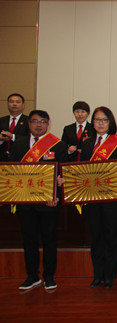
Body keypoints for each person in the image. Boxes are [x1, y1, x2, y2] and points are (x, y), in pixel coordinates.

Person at [9, 110, 68, 291]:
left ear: (48, 124)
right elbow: (10, 172)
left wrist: (56, 195)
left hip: (48, 202)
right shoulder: (18, 145)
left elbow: (63, 173)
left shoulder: (58, 145)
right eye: (34, 121)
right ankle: (32, 276)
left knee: (49, 239)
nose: (38, 125)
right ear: (29, 124)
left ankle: (49, 276)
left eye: (42, 121)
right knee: (29, 239)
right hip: (25, 201)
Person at [79, 107, 117, 289]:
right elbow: (81, 170)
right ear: (92, 123)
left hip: (112, 198)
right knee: (96, 236)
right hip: (92, 198)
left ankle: (109, 275)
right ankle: (97, 275)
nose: (100, 123)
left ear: (110, 122)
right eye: (97, 120)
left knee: (111, 236)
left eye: (104, 120)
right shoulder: (86, 144)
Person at [0, 93, 29, 162]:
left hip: (20, 158)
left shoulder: (28, 121)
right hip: (2, 158)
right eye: (11, 102)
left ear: (23, 105)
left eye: (17, 102)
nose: (14, 104)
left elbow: (29, 138)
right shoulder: (1, 120)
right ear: (8, 104)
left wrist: (12, 136)